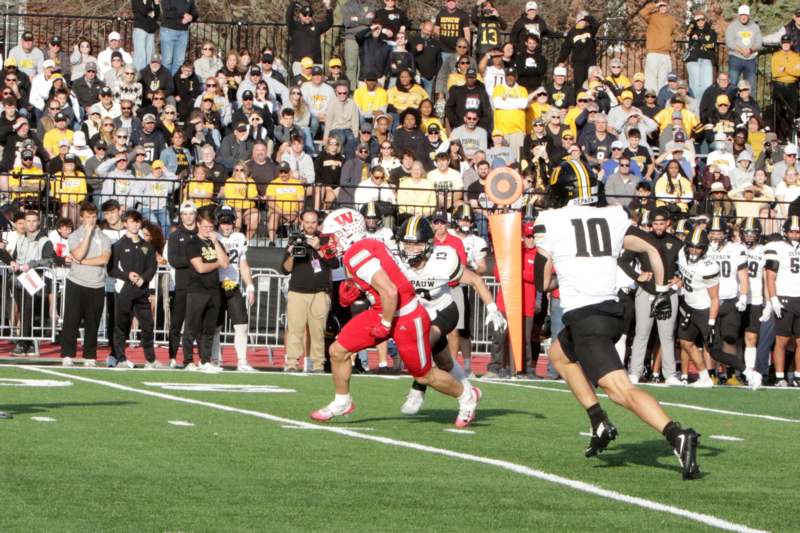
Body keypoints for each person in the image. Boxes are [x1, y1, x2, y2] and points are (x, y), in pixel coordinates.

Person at [534, 159, 701, 480]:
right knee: (559, 355)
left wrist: (561, 276)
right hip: (612, 311)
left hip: (587, 317)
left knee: (620, 390)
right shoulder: (612, 215)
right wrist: (662, 290)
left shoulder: (550, 220)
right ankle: (598, 420)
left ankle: (677, 435)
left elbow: (541, 281)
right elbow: (652, 246)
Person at [313, 208, 480, 427]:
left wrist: (384, 324)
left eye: (332, 237)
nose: (329, 243)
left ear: (347, 234)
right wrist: (357, 288)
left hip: (405, 315)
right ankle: (342, 400)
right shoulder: (367, 246)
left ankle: (467, 398)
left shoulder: (357, 253)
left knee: (423, 375)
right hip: (383, 310)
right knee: (338, 350)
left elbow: (390, 291)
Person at [396, 215, 504, 415]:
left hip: (443, 310)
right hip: (419, 314)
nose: (410, 249)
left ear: (428, 244)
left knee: (422, 344)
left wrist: (492, 307)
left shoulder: (442, 258)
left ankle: (418, 389)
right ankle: (471, 391)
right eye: (407, 244)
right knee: (445, 362)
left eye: (416, 244)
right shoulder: (397, 262)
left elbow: (475, 280)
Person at [675, 225, 761, 388]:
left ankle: (749, 372)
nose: (694, 250)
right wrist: (678, 282)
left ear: (704, 248)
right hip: (689, 307)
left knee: (715, 351)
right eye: (691, 247)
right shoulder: (681, 253)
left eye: (698, 248)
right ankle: (704, 377)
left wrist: (711, 323)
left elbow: (714, 298)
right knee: (685, 342)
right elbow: (686, 277)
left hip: (704, 311)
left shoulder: (708, 267)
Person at [281, 209, 337, 372]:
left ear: (318, 223)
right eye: (307, 222)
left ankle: (318, 365)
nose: (310, 225)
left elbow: (334, 263)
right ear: (301, 222)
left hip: (319, 292)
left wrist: (319, 248)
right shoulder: (294, 239)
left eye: (313, 222)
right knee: (294, 331)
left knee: (318, 332)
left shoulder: (326, 239)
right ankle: (291, 363)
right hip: (297, 292)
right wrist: (292, 253)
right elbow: (285, 269)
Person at [60, 202, 111, 366]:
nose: (91, 220)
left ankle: (90, 356)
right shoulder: (75, 235)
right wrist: (88, 235)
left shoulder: (104, 237)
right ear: (81, 218)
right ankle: (67, 355)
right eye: (88, 217)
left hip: (97, 284)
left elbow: (104, 259)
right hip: (76, 282)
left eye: (94, 216)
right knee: (71, 320)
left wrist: (83, 261)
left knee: (92, 322)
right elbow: (78, 253)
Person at [108, 209, 158, 368]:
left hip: (142, 291)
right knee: (122, 325)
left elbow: (152, 266)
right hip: (124, 291)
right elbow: (111, 269)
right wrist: (127, 275)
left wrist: (143, 278)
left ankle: (150, 359)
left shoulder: (147, 245)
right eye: (131, 221)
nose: (135, 224)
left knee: (148, 325)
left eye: (137, 221)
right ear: (125, 223)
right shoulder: (118, 245)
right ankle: (120, 358)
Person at [183, 210, 229, 372]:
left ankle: (205, 360)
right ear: (198, 225)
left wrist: (216, 243)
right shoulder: (192, 243)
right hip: (197, 290)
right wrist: (217, 262)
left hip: (214, 290)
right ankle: (188, 360)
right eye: (205, 227)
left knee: (209, 329)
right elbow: (200, 268)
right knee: (192, 327)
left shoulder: (216, 242)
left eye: (211, 227)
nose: (208, 230)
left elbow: (225, 263)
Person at [213, 206, 257, 372]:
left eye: (229, 222)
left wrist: (250, 286)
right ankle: (215, 359)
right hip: (216, 286)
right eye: (223, 222)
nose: (226, 226)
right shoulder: (213, 236)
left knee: (241, 325)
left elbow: (243, 265)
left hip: (233, 285)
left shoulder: (239, 237)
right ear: (218, 222)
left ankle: (242, 361)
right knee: (215, 326)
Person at [765, 216, 800, 386]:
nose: (794, 235)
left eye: (797, 231)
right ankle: (780, 377)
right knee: (782, 340)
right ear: (785, 232)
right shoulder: (776, 247)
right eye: (792, 231)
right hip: (785, 297)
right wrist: (773, 299)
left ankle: (798, 376)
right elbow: (770, 277)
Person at [166, 201, 198, 367]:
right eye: (185, 214)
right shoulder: (174, 235)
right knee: (176, 323)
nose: (188, 217)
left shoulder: (201, 233)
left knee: (193, 325)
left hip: (199, 285)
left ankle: (189, 359)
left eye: (191, 213)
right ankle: (172, 357)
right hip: (182, 285)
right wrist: (194, 260)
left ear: (195, 215)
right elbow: (173, 260)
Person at [286, 0, 334, 73]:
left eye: (310, 15)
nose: (307, 17)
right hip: (299, 64)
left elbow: (329, 23)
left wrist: (328, 7)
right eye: (305, 14)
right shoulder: (294, 27)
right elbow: (288, 17)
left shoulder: (317, 27)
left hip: (315, 64)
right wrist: (294, 2)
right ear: (300, 15)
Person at [725, 5, 762, 97]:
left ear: (749, 16)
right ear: (739, 15)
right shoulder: (732, 26)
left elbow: (759, 43)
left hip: (751, 60)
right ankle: (730, 107)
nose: (743, 17)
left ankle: (750, 108)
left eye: (745, 15)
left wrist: (750, 50)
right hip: (735, 58)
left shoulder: (755, 27)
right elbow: (729, 42)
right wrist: (742, 51)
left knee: (750, 87)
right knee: (732, 85)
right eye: (741, 15)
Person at [770, 35, 800, 142]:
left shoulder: (796, 56)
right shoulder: (776, 56)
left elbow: (798, 72)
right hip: (779, 86)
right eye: (784, 43)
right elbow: (775, 73)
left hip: (792, 86)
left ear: (790, 43)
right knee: (778, 112)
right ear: (781, 44)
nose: (785, 44)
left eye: (787, 42)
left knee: (792, 112)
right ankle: (778, 137)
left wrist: (785, 69)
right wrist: (792, 69)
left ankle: (791, 137)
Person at [160, 0, 198, 75]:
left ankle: (175, 84)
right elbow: (167, 11)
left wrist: (191, 17)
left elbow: (195, 13)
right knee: (167, 60)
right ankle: (167, 84)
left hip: (183, 32)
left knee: (179, 61)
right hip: (168, 30)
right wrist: (183, 15)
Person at [434, 0, 471, 64]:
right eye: (449, 1)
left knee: (456, 71)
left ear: (456, 2)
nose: (451, 3)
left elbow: (467, 32)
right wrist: (437, 43)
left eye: (453, 1)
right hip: (443, 50)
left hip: (457, 50)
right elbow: (436, 29)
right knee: (445, 71)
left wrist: (466, 47)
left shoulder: (463, 15)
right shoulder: (441, 14)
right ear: (446, 2)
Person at [132, 0, 160, 71]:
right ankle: (138, 76)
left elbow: (156, 14)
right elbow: (143, 11)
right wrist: (150, 11)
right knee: (140, 55)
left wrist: (156, 4)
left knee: (150, 55)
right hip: (140, 29)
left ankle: (147, 76)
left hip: (150, 30)